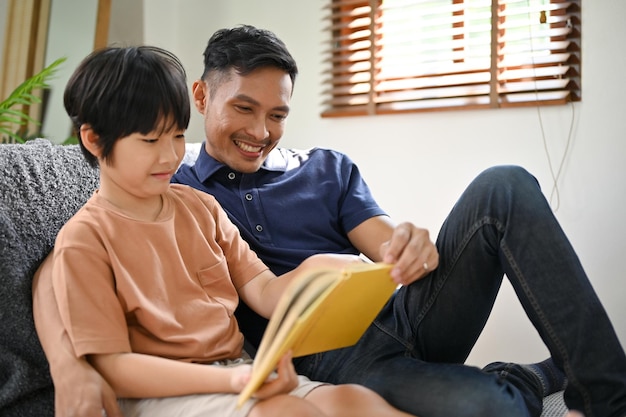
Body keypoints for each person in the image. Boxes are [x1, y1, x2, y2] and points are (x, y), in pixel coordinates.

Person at [33, 25, 626, 417]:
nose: (260, 131)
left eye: (277, 115)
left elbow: (378, 245)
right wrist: (69, 366)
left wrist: (406, 242)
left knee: (505, 184)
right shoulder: (169, 182)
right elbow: (58, 266)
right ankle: (533, 377)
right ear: (203, 95)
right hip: (330, 357)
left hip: (400, 312)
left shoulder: (321, 169)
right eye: (244, 108)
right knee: (492, 408)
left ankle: (608, 391)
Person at [33, 44, 417, 417]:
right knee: (286, 411)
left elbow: (265, 291)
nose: (170, 155)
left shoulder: (201, 208)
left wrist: (313, 272)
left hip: (236, 371)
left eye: (178, 136)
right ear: (94, 140)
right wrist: (236, 382)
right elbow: (116, 368)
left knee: (354, 402)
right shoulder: (86, 239)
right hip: (161, 392)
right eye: (150, 140)